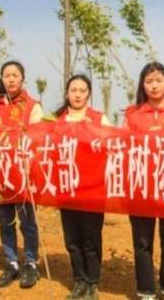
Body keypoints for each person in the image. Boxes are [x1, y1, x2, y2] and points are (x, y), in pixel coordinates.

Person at [125, 62, 164, 300]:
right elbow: (124, 147)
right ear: (143, 84)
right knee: (142, 241)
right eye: (149, 81)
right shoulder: (132, 115)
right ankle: (145, 291)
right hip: (141, 186)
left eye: (159, 80)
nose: (154, 85)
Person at [0, 60, 43, 289]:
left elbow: (39, 138)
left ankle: (32, 263)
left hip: (23, 175)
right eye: (7, 75)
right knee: (5, 221)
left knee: (27, 222)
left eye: (15, 75)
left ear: (23, 78)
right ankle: (12, 262)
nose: (11, 79)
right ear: (2, 79)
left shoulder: (32, 106)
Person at [55, 75, 110, 300]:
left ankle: (92, 282)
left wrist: (93, 132)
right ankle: (79, 280)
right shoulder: (57, 121)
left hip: (93, 189)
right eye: (73, 90)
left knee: (91, 238)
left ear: (89, 94)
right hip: (66, 189)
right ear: (67, 93)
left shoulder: (99, 118)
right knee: (72, 239)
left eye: (82, 90)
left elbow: (112, 146)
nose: (77, 94)